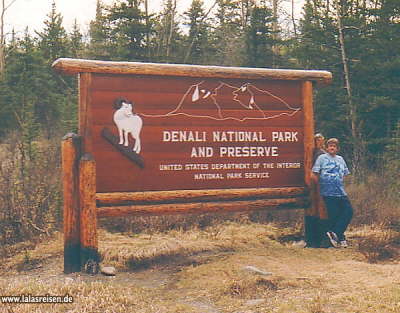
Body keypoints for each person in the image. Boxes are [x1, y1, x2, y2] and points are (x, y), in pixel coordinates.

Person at [312, 138, 353, 248]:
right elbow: (314, 174)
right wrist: (319, 187)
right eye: (330, 145)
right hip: (327, 192)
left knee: (349, 211)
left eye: (334, 146)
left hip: (340, 192)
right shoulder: (322, 158)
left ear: (337, 148)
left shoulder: (340, 159)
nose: (332, 147)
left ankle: (335, 234)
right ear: (326, 147)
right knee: (334, 215)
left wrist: (339, 181)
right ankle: (339, 238)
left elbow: (345, 173)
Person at [304, 133, 328, 248]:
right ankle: (312, 240)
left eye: (321, 140)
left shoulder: (324, 153)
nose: (319, 142)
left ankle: (322, 239)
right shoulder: (311, 153)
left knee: (323, 210)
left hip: (323, 184)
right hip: (312, 185)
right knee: (312, 208)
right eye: (317, 140)